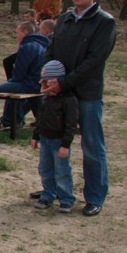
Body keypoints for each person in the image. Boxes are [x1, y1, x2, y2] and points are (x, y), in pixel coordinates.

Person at [41, 0, 116, 217]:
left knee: (92, 146)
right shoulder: (63, 20)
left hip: (86, 94)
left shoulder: (104, 23)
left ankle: (94, 196)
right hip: (59, 94)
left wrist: (64, 83)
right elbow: (50, 51)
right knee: (53, 143)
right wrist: (48, 78)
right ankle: (56, 190)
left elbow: (93, 62)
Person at [0, 22, 49, 135]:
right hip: (38, 83)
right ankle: (16, 121)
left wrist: (11, 81)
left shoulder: (27, 46)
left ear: (25, 32)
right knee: (11, 88)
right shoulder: (42, 45)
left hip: (29, 84)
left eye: (17, 33)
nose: (16, 36)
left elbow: (20, 72)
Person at [32, 60, 78, 213]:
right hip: (45, 139)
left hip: (59, 141)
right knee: (45, 169)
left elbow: (71, 125)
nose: (45, 86)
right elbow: (40, 118)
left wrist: (65, 144)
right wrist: (35, 136)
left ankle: (66, 199)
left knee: (62, 171)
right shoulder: (45, 98)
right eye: (44, 82)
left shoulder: (69, 100)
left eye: (48, 82)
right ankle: (48, 195)